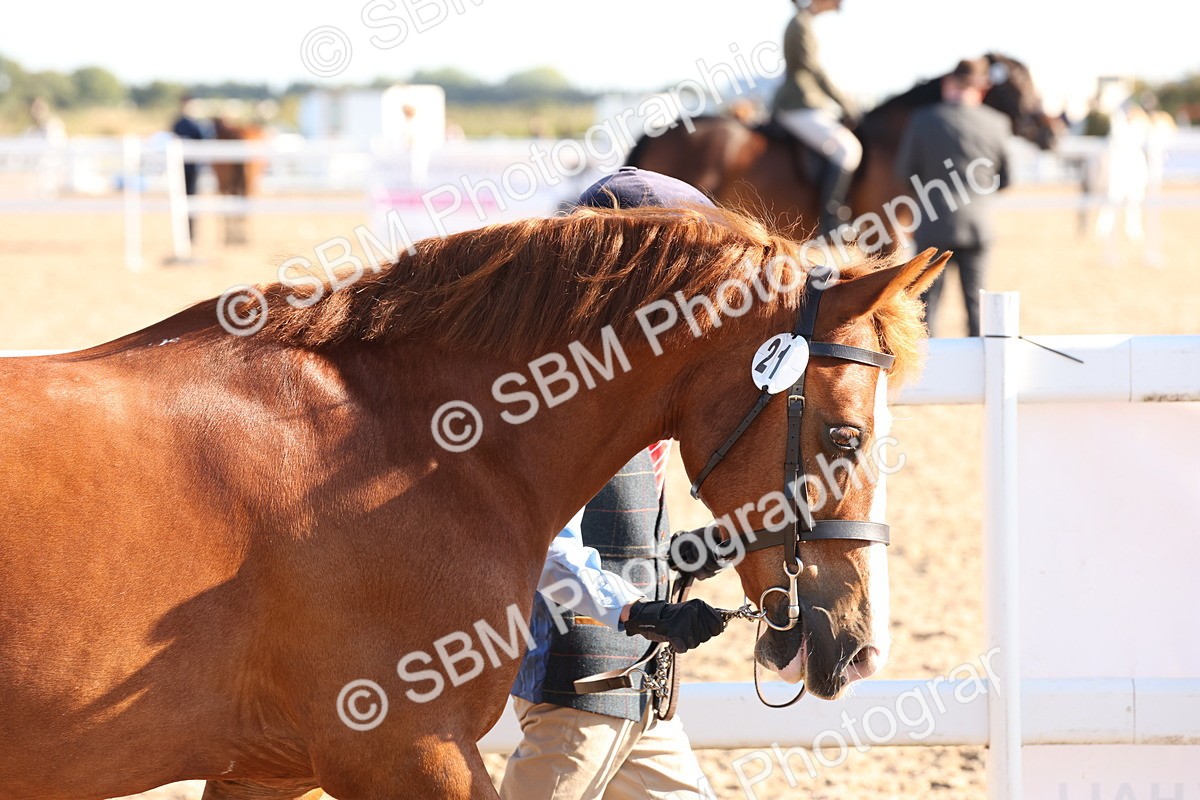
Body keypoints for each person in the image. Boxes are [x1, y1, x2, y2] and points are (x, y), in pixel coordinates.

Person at [501, 168, 729, 800]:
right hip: (581, 688)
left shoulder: (637, 376)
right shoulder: (561, 386)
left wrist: (683, 555)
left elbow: (621, 518)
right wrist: (634, 609)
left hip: (638, 689)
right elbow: (544, 542)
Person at [894, 58, 1011, 337]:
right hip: (977, 225)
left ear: (949, 84)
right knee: (977, 305)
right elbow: (1006, 179)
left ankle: (927, 374)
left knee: (925, 308)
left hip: (933, 225)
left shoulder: (922, 120)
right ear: (980, 88)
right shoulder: (998, 123)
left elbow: (904, 173)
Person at [772, 0, 861, 236]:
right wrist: (846, 103)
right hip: (798, 104)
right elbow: (813, 70)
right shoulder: (801, 24)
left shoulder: (804, 22)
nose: (834, 7)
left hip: (806, 103)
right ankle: (831, 221)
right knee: (848, 149)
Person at [171, 95, 205, 242]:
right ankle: (184, 233)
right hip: (180, 167)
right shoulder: (179, 123)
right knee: (180, 199)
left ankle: (191, 233)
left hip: (194, 168)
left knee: (192, 199)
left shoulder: (197, 124)